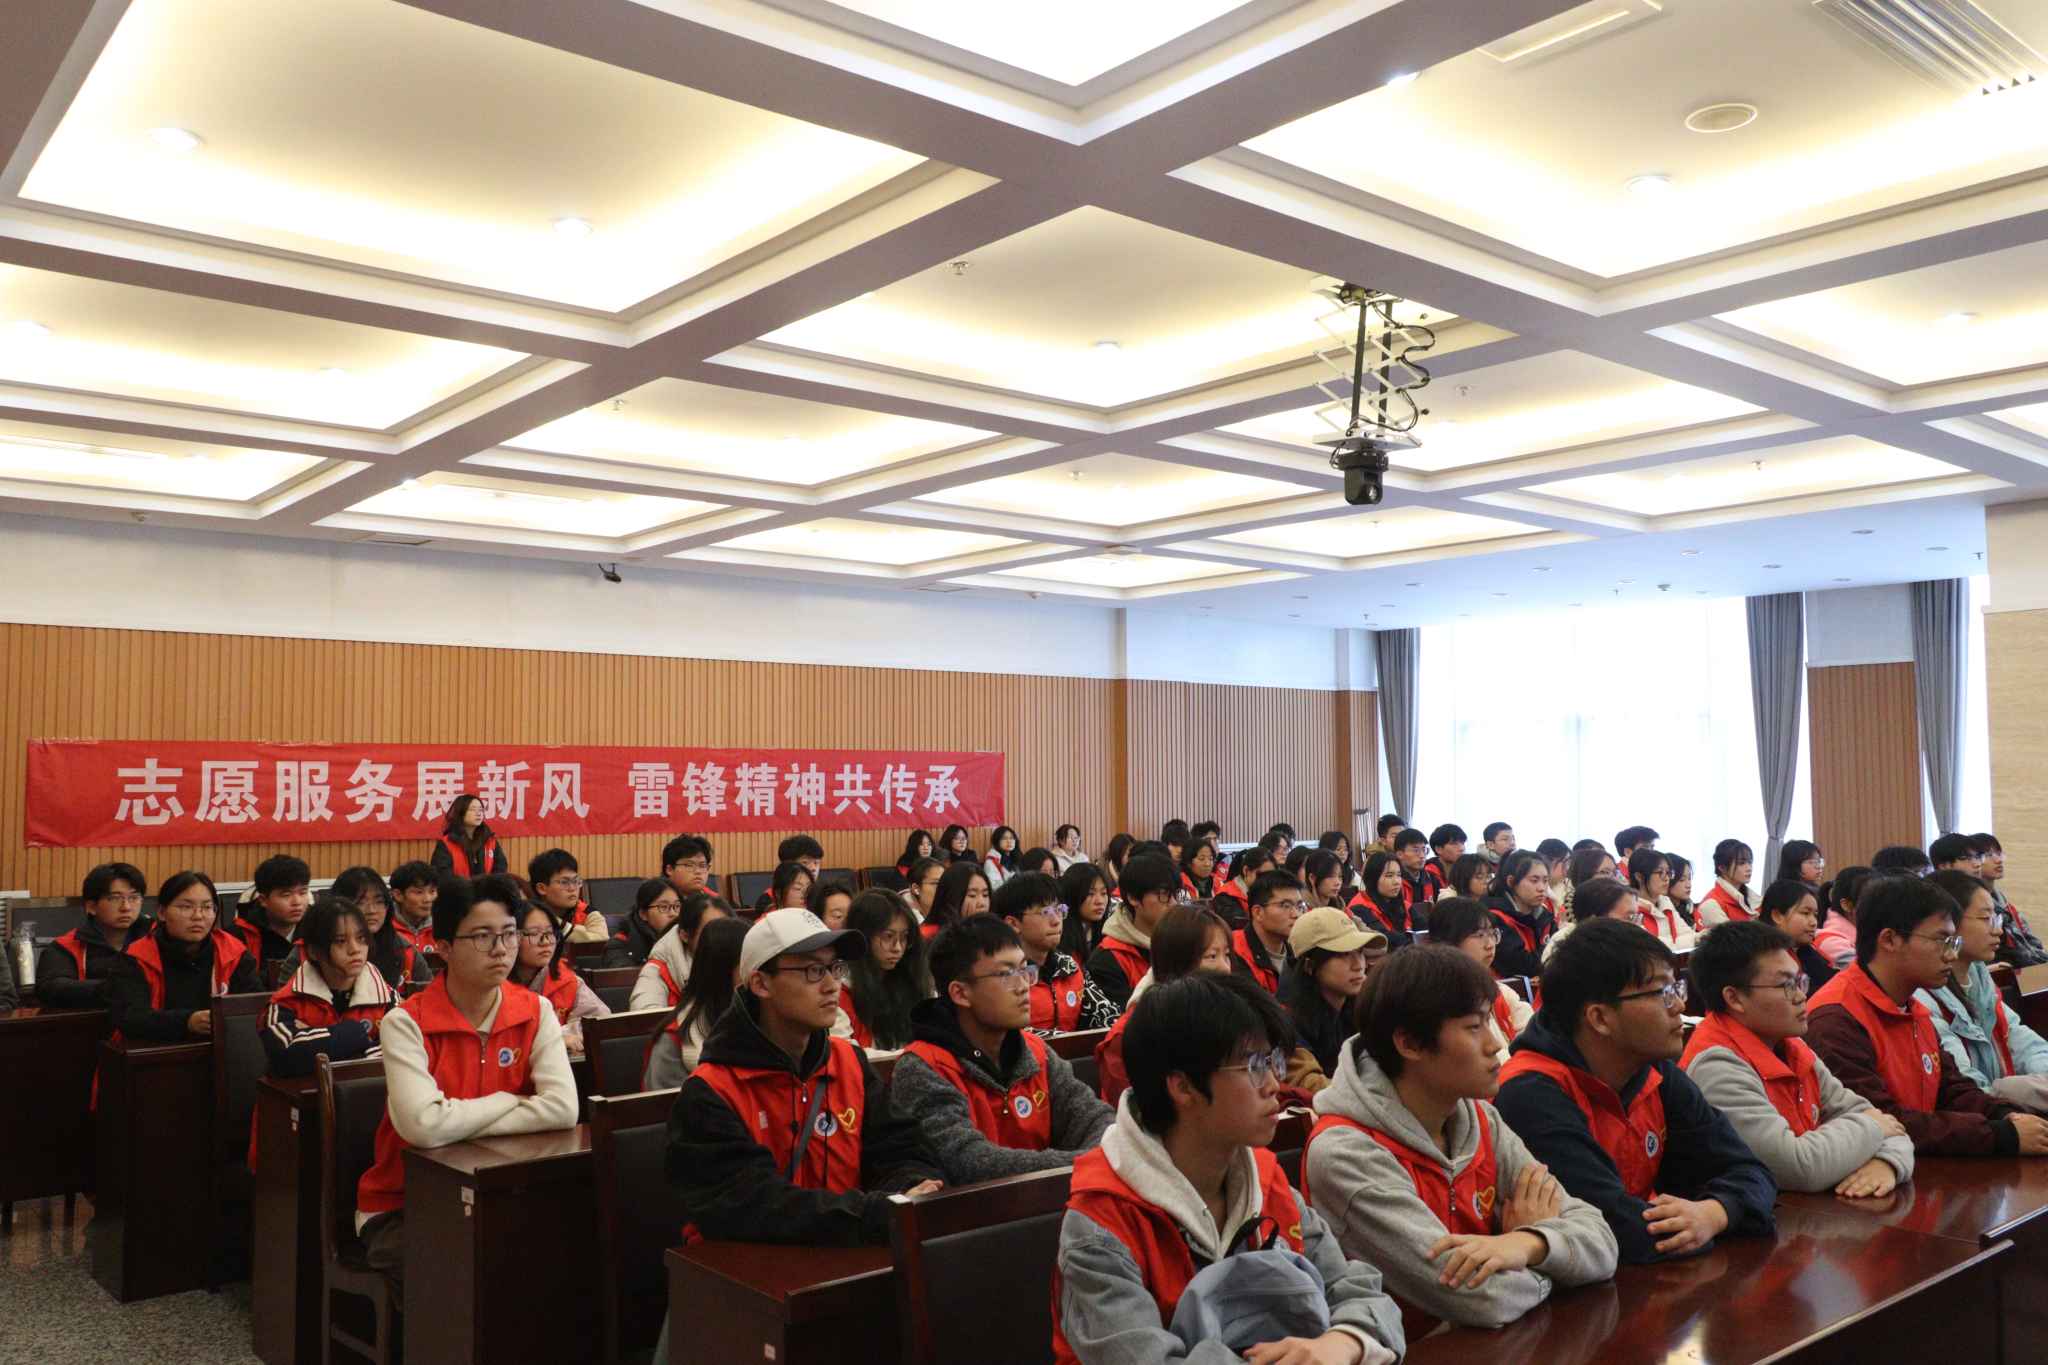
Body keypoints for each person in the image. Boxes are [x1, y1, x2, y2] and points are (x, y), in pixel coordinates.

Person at [1051, 971, 1404, 1365]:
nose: (1274, 1085)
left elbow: (1360, 1292)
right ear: (1182, 1086)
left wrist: (1345, 1341)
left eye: (1273, 1062)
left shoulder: (1267, 1184)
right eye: (1253, 1066)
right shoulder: (1101, 1226)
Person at [1306, 945, 1618, 1333]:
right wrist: (1558, 1263)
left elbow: (1604, 1242)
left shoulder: (1481, 1118)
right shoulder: (1345, 1153)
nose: (1496, 1044)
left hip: (1505, 1342)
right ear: (1410, 1044)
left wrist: (1529, 1243)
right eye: (1474, 1028)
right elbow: (1483, 1299)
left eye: (1490, 1022)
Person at [1494, 918, 1777, 1265]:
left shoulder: (1653, 1070)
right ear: (1600, 1018)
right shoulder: (1531, 1095)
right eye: (1662, 993)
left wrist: (1715, 1213)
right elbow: (1613, 1231)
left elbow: (1752, 1172)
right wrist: (1703, 1223)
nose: (1680, 1006)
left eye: (1677, 988)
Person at [355, 874, 578, 1300]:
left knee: (558, 1255)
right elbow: (423, 1127)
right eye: (482, 936)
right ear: (443, 947)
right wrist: (509, 1100)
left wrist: (452, 1119)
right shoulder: (407, 1022)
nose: (501, 949)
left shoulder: (537, 1011)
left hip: (498, 1193)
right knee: (472, 1270)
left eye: (509, 934)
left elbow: (564, 1109)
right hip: (404, 1205)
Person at [666, 908, 944, 1243]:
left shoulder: (848, 1063)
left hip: (853, 1254)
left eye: (836, 968)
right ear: (761, 983)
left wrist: (910, 1192)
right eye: (813, 970)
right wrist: (875, 1214)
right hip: (747, 1268)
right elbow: (755, 1206)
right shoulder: (712, 1091)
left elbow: (903, 1149)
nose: (832, 985)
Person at [1801, 874, 2047, 1157]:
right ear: (1890, 940)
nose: (1951, 955)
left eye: (1953, 942)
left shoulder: (1911, 1006)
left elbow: (1952, 1089)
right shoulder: (1836, 1019)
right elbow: (1882, 1122)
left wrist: (2006, 1115)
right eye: (1941, 940)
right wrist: (1999, 1135)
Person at [1682, 921, 1914, 1195]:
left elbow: (1890, 1126)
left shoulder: (1791, 1045)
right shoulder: (1717, 1067)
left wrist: (1886, 1161)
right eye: (1787, 985)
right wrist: (1872, 1129)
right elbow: (1797, 1168)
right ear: (1735, 998)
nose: (1802, 995)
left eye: (1800, 981)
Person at [894, 916, 1116, 1184]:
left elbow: (1097, 1119)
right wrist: (1087, 1162)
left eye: (1025, 970)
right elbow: (968, 1164)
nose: (1024, 986)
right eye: (1007, 975)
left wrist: (1090, 1158)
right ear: (961, 993)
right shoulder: (923, 1067)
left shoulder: (1036, 1052)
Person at [1918, 870, 2048, 1112]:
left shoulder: (1980, 977)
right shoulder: (1921, 995)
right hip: (1975, 1113)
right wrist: (2009, 1094)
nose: (1998, 931)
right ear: (1947, 923)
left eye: (1996, 918)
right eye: (1986, 918)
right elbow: (1966, 1084)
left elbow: (2021, 1042)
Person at [1096, 907, 1234, 1107]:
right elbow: (1138, 1114)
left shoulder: (1232, 1015)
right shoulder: (1129, 1035)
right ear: (1177, 963)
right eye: (1212, 956)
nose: (1225, 967)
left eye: (1227, 955)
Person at [105, 871, 265, 1039]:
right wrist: (188, 1022)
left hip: (220, 1049)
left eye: (207, 907)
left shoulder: (232, 952)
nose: (198, 916)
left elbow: (253, 1009)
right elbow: (131, 1018)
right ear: (162, 912)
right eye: (186, 907)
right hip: (151, 1050)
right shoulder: (134, 958)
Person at [263, 897, 399, 1076]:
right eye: (340, 941)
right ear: (314, 951)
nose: (355, 949)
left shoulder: (388, 997)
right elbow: (284, 1057)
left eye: (360, 938)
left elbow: (399, 1052)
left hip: (367, 1092)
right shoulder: (286, 1002)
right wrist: (357, 1034)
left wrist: (314, 1037)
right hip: (304, 1094)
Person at [998, 871, 1117, 1034]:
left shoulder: (1070, 968)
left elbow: (1106, 1016)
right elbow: (1011, 1035)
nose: (1056, 920)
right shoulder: (1001, 976)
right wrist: (1065, 1040)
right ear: (1013, 923)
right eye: (1046, 913)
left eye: (1059, 910)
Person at [1285, 909, 1385, 1093]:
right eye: (1344, 954)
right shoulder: (1286, 1017)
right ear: (1309, 966)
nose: (1359, 965)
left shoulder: (1361, 1005)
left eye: (1360, 952)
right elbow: (1310, 1084)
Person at [645, 917, 750, 1088]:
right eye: (748, 966)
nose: (757, 977)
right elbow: (671, 1104)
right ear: (721, 971)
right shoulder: (672, 1043)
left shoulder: (765, 1020)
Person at [281, 867, 428, 987]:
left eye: (378, 902)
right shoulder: (308, 952)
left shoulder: (405, 950)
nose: (372, 910)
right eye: (361, 902)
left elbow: (428, 1001)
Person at [38, 861, 152, 1008]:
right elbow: (50, 988)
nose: (126, 907)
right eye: (115, 898)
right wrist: (115, 988)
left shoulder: (156, 938)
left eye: (134, 897)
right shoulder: (66, 947)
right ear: (92, 906)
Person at [508, 902, 611, 1056]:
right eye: (534, 934)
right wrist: (553, 1039)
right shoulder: (494, 987)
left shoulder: (567, 980)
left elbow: (600, 1022)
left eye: (550, 933)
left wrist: (561, 1036)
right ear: (510, 938)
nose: (545, 942)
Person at [838, 889, 933, 1049]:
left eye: (904, 937)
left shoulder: (913, 980)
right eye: (888, 936)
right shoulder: (838, 990)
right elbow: (845, 1054)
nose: (898, 948)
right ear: (862, 936)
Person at [1430, 897, 1531, 1040]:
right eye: (1480, 935)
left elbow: (1533, 1038)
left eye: (1491, 934)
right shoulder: (1442, 1000)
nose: (1491, 945)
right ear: (1450, 941)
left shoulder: (1501, 992)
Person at [1087, 854, 1178, 1012]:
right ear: (1133, 898)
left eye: (1176, 893)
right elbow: (1134, 1019)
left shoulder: (1184, 944)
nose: (1174, 903)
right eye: (1164, 894)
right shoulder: (1105, 961)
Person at [629, 891, 731, 1014]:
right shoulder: (657, 969)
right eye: (711, 931)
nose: (721, 938)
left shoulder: (735, 961)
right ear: (685, 936)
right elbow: (646, 1019)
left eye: (726, 930)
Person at [1974, 834, 2048, 968]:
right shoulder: (1976, 905)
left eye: (1999, 854)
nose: (1999, 860)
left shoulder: (2005, 904)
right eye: (1990, 855)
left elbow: (2030, 946)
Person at [1483, 850, 1557, 981]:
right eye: (1534, 881)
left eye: (1545, 881)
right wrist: (1560, 941)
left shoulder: (1544, 915)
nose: (1542, 888)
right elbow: (1524, 966)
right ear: (1511, 882)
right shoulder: (1494, 919)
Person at [1231, 869, 1306, 997]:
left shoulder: (1300, 949)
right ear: (1258, 912)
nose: (1296, 914)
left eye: (1300, 906)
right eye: (1286, 906)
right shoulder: (1233, 952)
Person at [1757, 879, 1836, 993]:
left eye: (1815, 915)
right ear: (1777, 916)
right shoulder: (1762, 958)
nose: (1814, 922)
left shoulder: (1811, 951)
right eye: (1805, 913)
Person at [235, 854, 311, 967]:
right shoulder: (240, 934)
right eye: (286, 895)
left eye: (302, 893)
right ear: (263, 900)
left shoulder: (319, 927)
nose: (297, 902)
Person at [1542, 879, 1639, 964]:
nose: (1637, 926)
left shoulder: (1633, 945)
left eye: (1637, 917)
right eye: (1629, 917)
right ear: (1595, 922)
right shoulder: (1565, 951)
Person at [529, 849, 608, 944]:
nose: (572, 888)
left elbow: (599, 944)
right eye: (564, 882)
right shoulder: (526, 914)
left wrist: (556, 923)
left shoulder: (588, 914)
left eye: (575, 881)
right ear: (542, 888)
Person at [603, 878, 683, 968]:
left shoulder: (685, 938)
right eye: (664, 907)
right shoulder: (618, 945)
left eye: (677, 906)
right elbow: (624, 976)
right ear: (643, 914)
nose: (673, 913)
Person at [1627, 850, 1692, 950]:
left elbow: (1685, 933)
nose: (1667, 878)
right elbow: (1654, 947)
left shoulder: (1665, 902)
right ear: (1639, 877)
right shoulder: (1630, 909)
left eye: (1669, 872)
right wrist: (1680, 945)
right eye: (1661, 872)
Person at [430, 793, 507, 877]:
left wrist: (489, 883)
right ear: (460, 813)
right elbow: (442, 873)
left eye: (481, 810)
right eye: (473, 810)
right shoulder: (446, 843)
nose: (478, 813)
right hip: (458, 886)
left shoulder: (490, 841)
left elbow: (501, 866)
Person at [1350, 851, 1413, 945]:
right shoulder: (1359, 908)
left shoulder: (1405, 906)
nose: (1396, 881)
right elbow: (1384, 939)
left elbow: (1426, 930)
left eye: (1399, 875)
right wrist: (1414, 938)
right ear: (1373, 879)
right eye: (1389, 876)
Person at [1813, 867, 1870, 970]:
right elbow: (1869, 976)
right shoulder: (1833, 943)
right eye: (1870, 900)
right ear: (1846, 905)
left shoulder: (1866, 932)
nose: (1879, 907)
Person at [1697, 839, 1760, 927]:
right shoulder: (1712, 905)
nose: (1749, 868)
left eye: (1750, 862)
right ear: (1722, 868)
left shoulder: (1754, 899)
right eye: (1741, 863)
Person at [922, 861, 992, 939]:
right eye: (972, 895)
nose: (982, 903)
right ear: (951, 897)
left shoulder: (991, 933)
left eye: (985, 895)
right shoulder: (928, 937)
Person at [1059, 862, 1114, 961]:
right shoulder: (1059, 934)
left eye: (1104, 893)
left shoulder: (1110, 931)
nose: (1100, 901)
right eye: (1090, 894)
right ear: (1072, 894)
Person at [1210, 847, 1273, 928]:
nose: (1266, 880)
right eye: (1260, 875)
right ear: (1246, 870)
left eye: (1271, 875)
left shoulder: (1273, 893)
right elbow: (1242, 925)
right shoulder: (1225, 897)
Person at [388, 861, 439, 952]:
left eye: (432, 891)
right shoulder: (384, 929)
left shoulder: (443, 928)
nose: (428, 899)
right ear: (398, 895)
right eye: (418, 892)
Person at [662, 835, 716, 900]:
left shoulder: (713, 900)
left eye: (702, 866)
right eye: (690, 865)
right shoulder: (656, 899)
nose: (698, 871)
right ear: (670, 870)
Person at [1392, 829, 1433, 910]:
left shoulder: (1431, 877)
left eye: (1424, 849)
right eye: (1415, 850)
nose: (1422, 855)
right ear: (1400, 854)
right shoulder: (1394, 881)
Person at [1422, 824, 1467, 900]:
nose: (1461, 848)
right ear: (1438, 849)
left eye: (1463, 843)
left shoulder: (1465, 871)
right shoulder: (1428, 874)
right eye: (1455, 844)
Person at [902, 856, 946, 927]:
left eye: (945, 882)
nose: (943, 888)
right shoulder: (903, 918)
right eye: (936, 883)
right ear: (916, 889)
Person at [1536, 840, 1573, 919]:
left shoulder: (1569, 887)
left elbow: (1568, 921)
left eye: (1569, 862)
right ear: (1546, 860)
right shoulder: (1535, 891)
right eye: (1563, 861)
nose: (1567, 868)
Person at [1665, 854, 1697, 930]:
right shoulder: (1664, 914)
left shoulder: (1691, 910)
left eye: (1689, 879)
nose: (1689, 885)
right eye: (1682, 880)